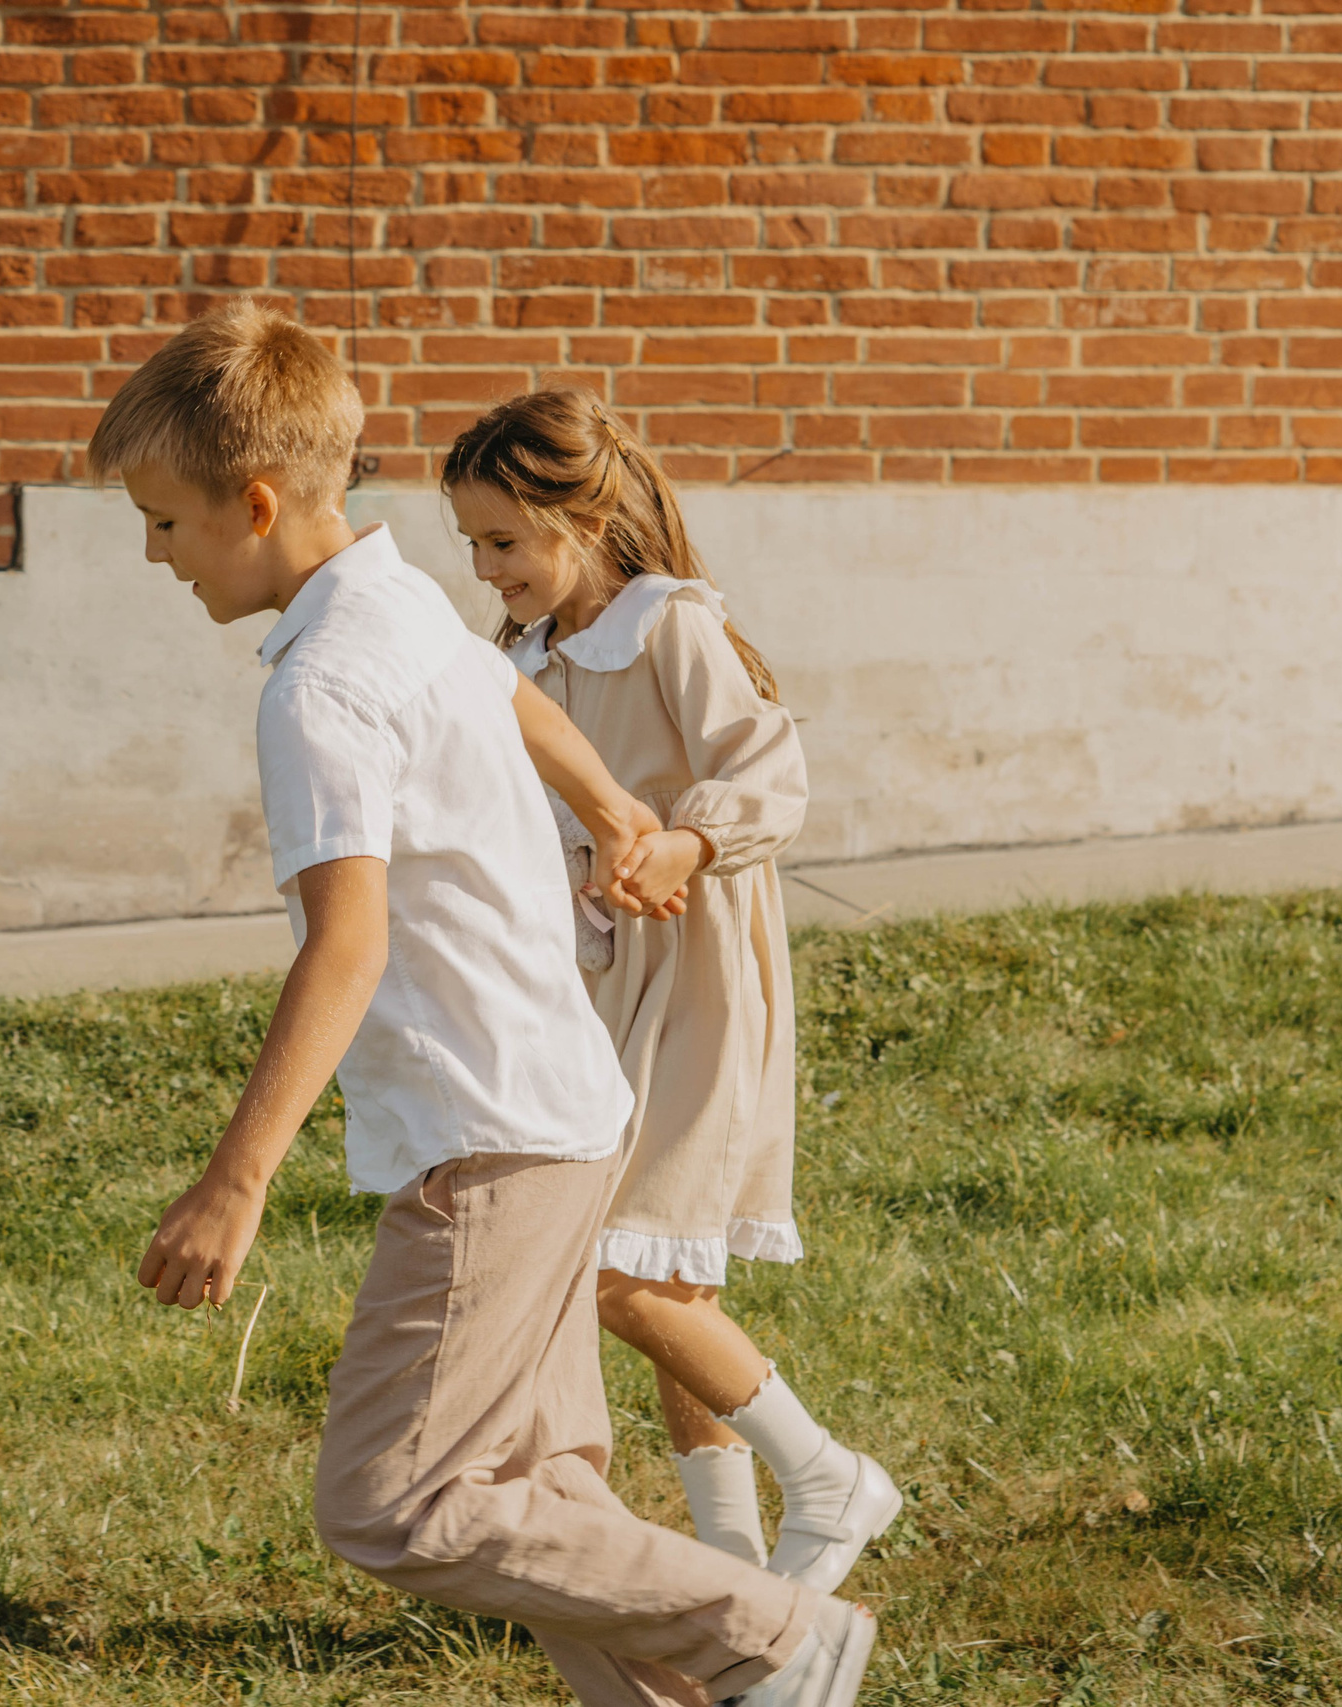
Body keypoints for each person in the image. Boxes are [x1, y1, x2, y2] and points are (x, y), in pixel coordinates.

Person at [90, 302, 876, 1707]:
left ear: (255, 502)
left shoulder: (320, 684)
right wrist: (615, 801)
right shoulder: (397, 600)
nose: (152, 556)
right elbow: (510, 703)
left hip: (490, 1140)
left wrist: (235, 1178)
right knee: (541, 1494)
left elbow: (344, 944)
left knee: (393, 1500)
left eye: (160, 523)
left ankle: (779, 1632)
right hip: (565, 1110)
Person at [443, 389, 900, 1598]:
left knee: (613, 1267)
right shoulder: (526, 657)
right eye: (472, 547)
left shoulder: (668, 628)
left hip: (692, 977)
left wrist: (682, 849)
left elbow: (769, 772)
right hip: (595, 979)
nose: (487, 571)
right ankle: (734, 1565)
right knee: (672, 1274)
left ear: (584, 519)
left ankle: (825, 1474)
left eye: (505, 542)